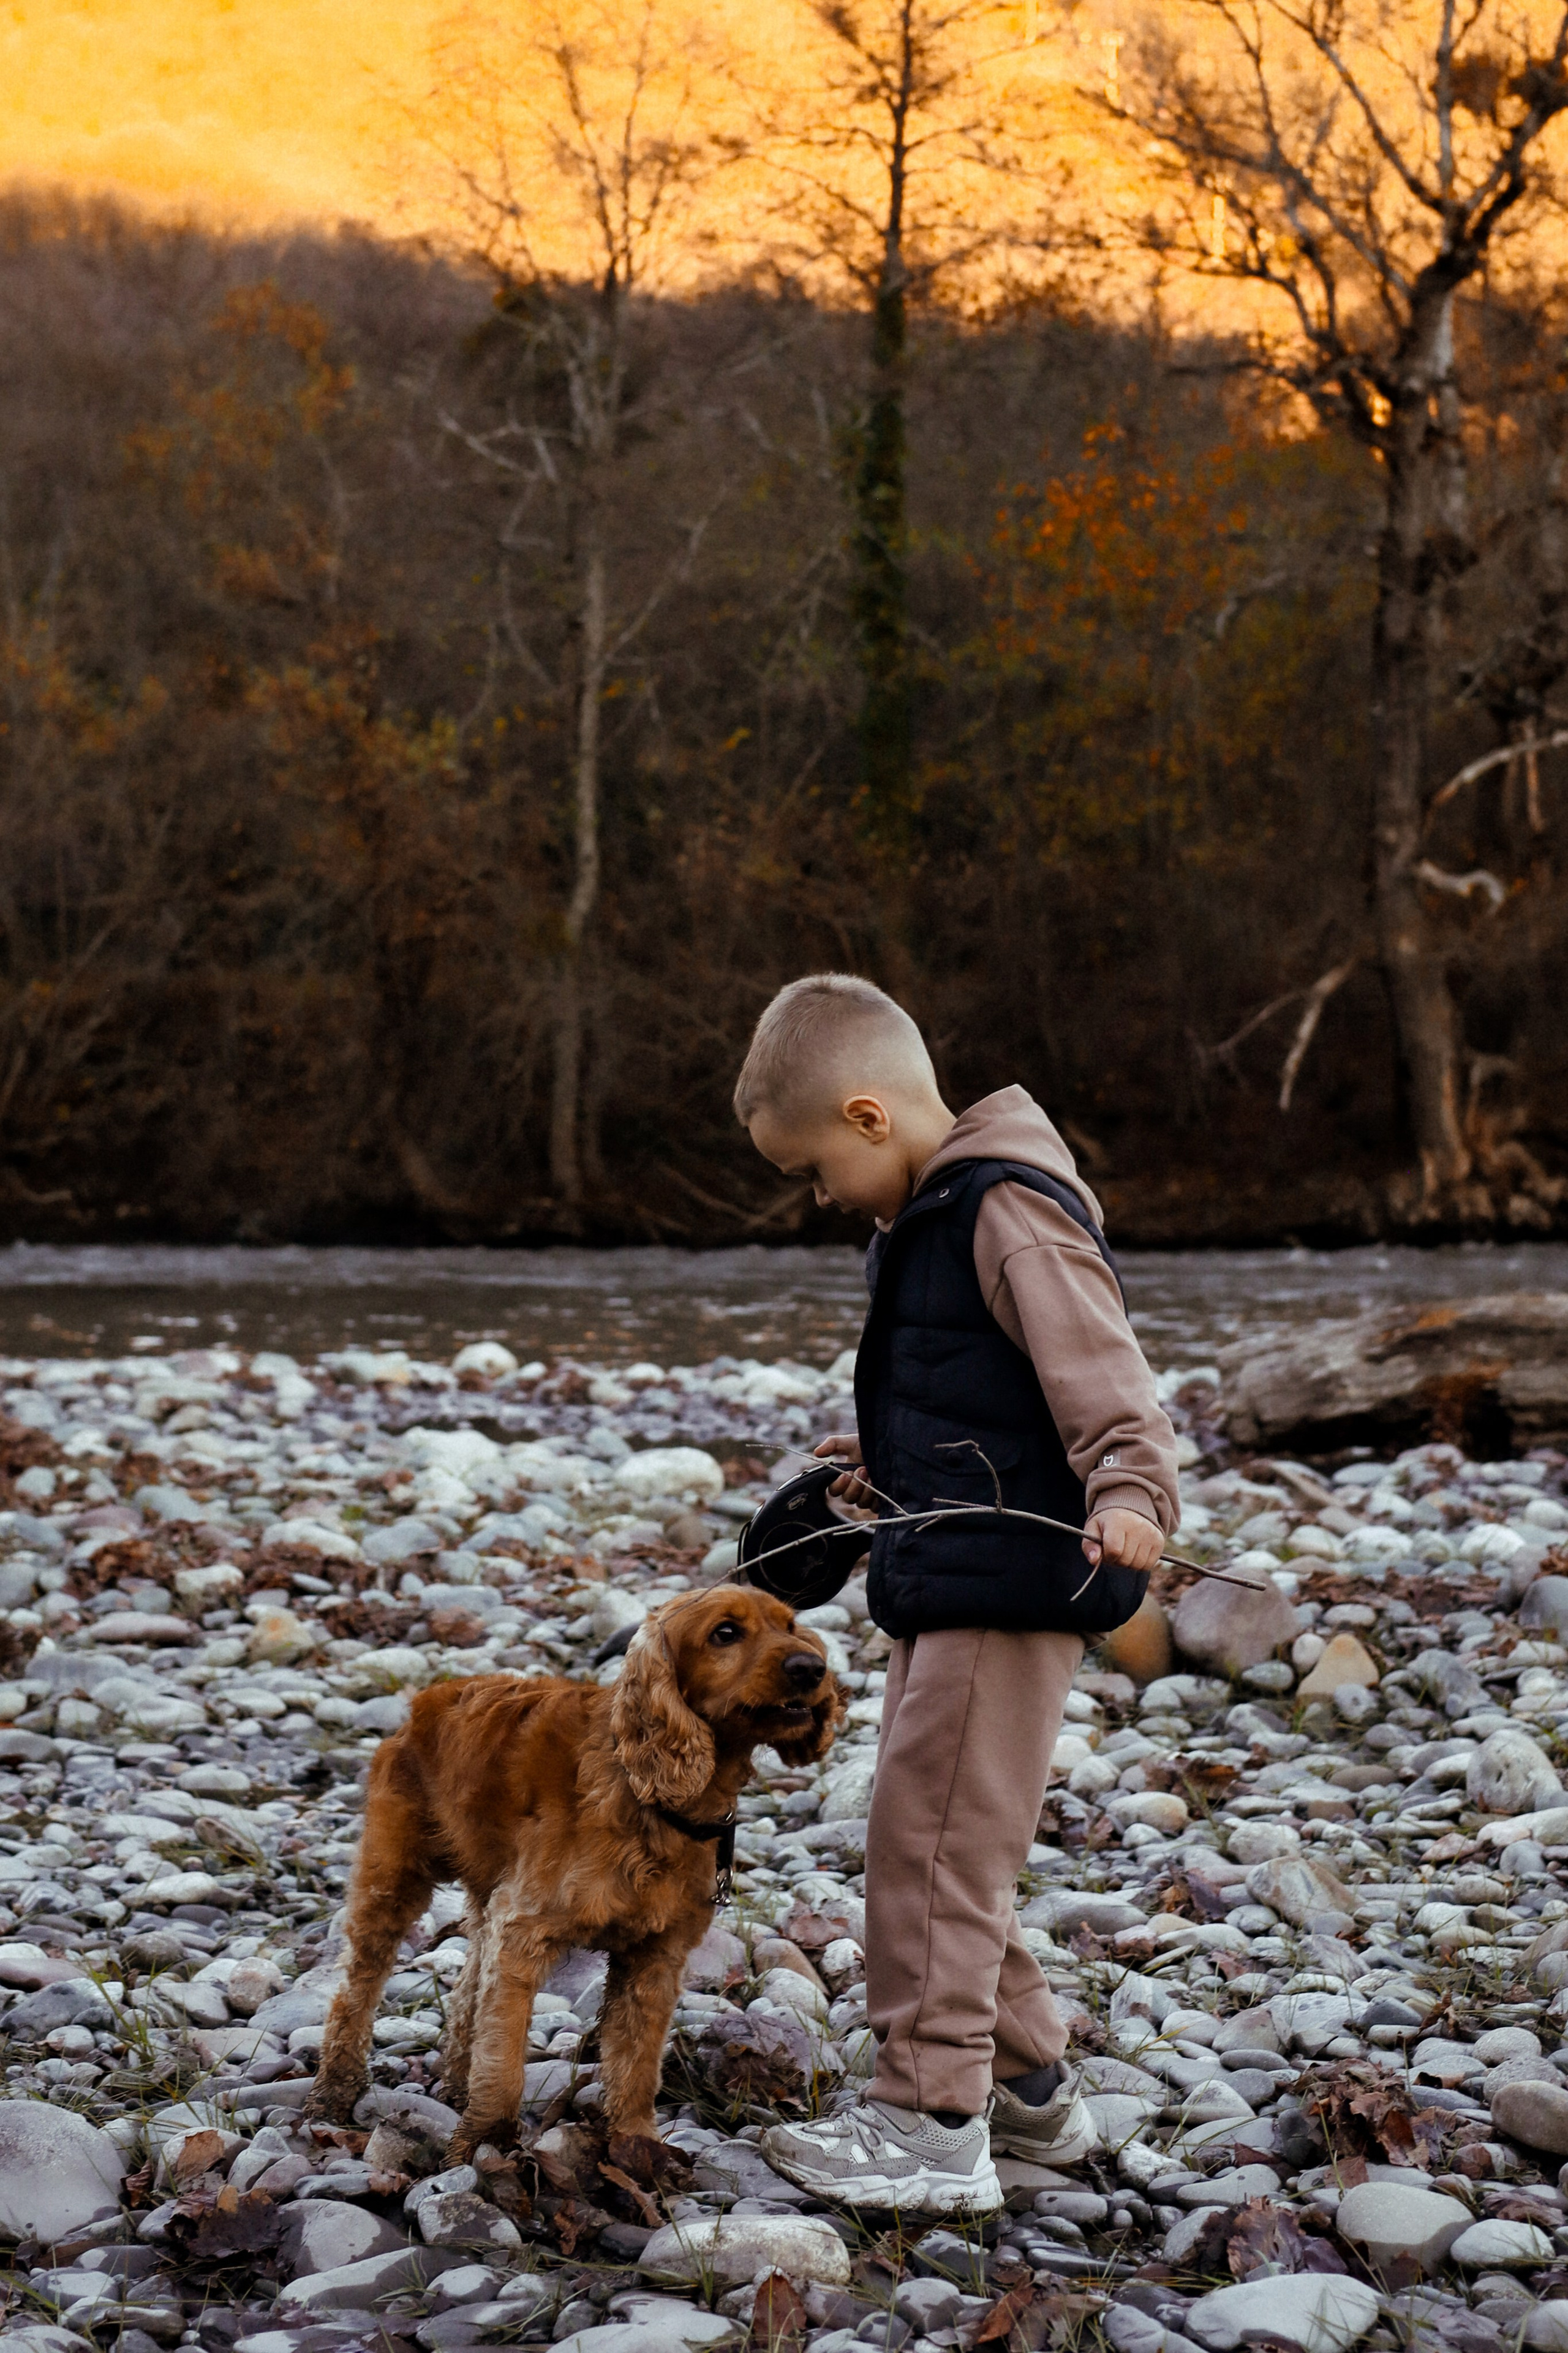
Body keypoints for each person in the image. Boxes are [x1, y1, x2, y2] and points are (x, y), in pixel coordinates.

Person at [733, 973, 1180, 2217]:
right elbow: (966, 1386)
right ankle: (1031, 2096)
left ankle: (928, 2125)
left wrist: (1131, 1486)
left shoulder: (1005, 1211)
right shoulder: (925, 1219)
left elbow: (1102, 1373)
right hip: (948, 1569)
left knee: (924, 1851)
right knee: (946, 1846)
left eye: (817, 1169)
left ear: (869, 1118)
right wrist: (881, 1468)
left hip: (1015, 1582)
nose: (821, 1197)